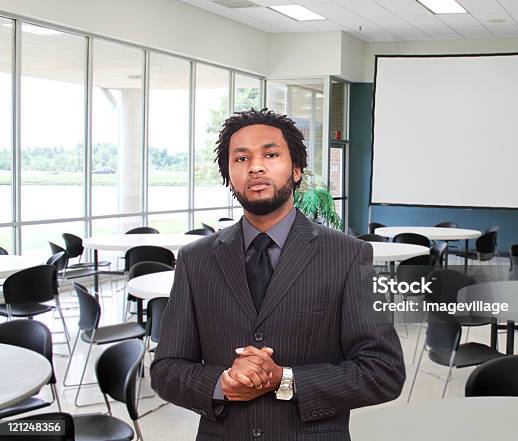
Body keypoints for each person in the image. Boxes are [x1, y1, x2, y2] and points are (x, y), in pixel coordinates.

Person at [151, 108, 405, 440]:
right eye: (241, 159)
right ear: (228, 176)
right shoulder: (195, 259)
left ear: (297, 170)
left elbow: (383, 371)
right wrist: (220, 385)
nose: (255, 166)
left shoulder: (349, 255)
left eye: (270, 154)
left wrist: (285, 379)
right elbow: (166, 369)